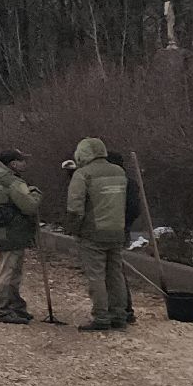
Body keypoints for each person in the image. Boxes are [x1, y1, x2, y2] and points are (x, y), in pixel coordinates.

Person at [66, 137, 130, 331]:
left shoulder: (82, 174)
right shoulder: (119, 172)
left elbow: (75, 207)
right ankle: (119, 315)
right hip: (117, 231)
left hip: (92, 233)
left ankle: (101, 317)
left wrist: (74, 229)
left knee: (96, 277)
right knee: (115, 275)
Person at [0, 149, 42, 323]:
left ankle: (16, 306)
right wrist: (35, 193)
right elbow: (29, 207)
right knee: (10, 272)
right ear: (14, 164)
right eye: (22, 160)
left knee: (12, 271)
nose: (25, 164)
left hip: (1, 229)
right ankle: (2, 310)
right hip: (12, 231)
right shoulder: (13, 182)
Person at [105, 151, 144, 326]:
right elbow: (135, 209)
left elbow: (133, 209)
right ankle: (123, 309)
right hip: (121, 229)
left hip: (112, 229)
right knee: (116, 269)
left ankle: (123, 309)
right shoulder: (130, 183)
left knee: (114, 271)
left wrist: (121, 222)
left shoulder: (115, 183)